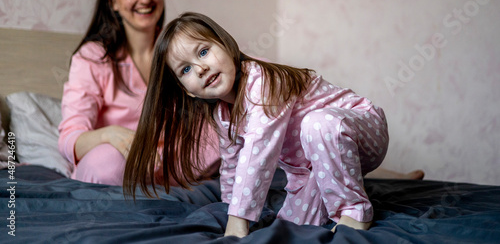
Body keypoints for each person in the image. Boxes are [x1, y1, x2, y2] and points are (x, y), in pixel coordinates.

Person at [124, 12, 403, 237]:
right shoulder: (223, 114)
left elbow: (259, 149)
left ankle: (354, 210)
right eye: (185, 69)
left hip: (361, 130)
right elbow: (233, 165)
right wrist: (230, 213)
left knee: (318, 124)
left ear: (227, 45)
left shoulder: (263, 81)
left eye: (204, 52)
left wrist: (240, 218)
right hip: (312, 168)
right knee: (294, 228)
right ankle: (331, 200)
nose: (200, 68)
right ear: (188, 91)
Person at [58, 0, 220, 185]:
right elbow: (68, 138)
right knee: (106, 161)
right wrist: (109, 134)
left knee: (227, 128)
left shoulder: (179, 48)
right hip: (119, 168)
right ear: (112, 0)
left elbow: (233, 65)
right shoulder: (92, 57)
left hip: (174, 166)